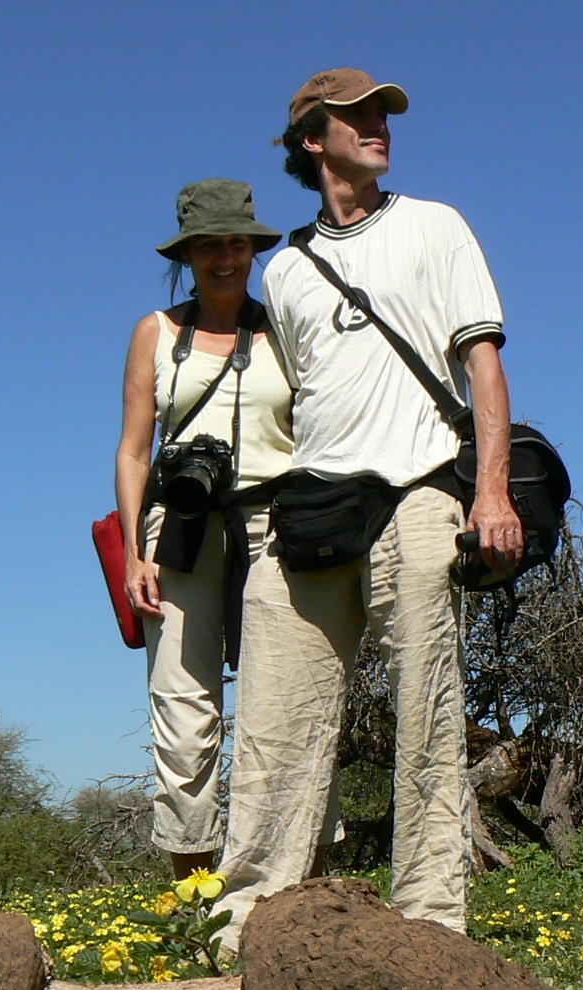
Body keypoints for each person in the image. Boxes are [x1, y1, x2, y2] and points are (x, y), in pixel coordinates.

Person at [217, 68, 519, 944]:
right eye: (357, 116)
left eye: (383, 113)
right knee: (274, 713)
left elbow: (483, 366)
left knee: (427, 705)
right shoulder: (287, 271)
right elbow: (298, 401)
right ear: (314, 140)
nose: (378, 125)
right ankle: (248, 920)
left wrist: (490, 491)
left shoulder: (436, 226)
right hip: (313, 503)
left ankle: (431, 922)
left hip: (421, 489)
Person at [115, 179, 309, 880]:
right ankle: (195, 896)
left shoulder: (286, 325)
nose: (225, 258)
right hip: (181, 529)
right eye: (209, 246)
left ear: (253, 249)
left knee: (284, 704)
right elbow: (135, 448)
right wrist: (136, 551)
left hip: (277, 526)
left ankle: (294, 888)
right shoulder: (157, 334)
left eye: (237, 243)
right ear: (189, 255)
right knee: (184, 711)